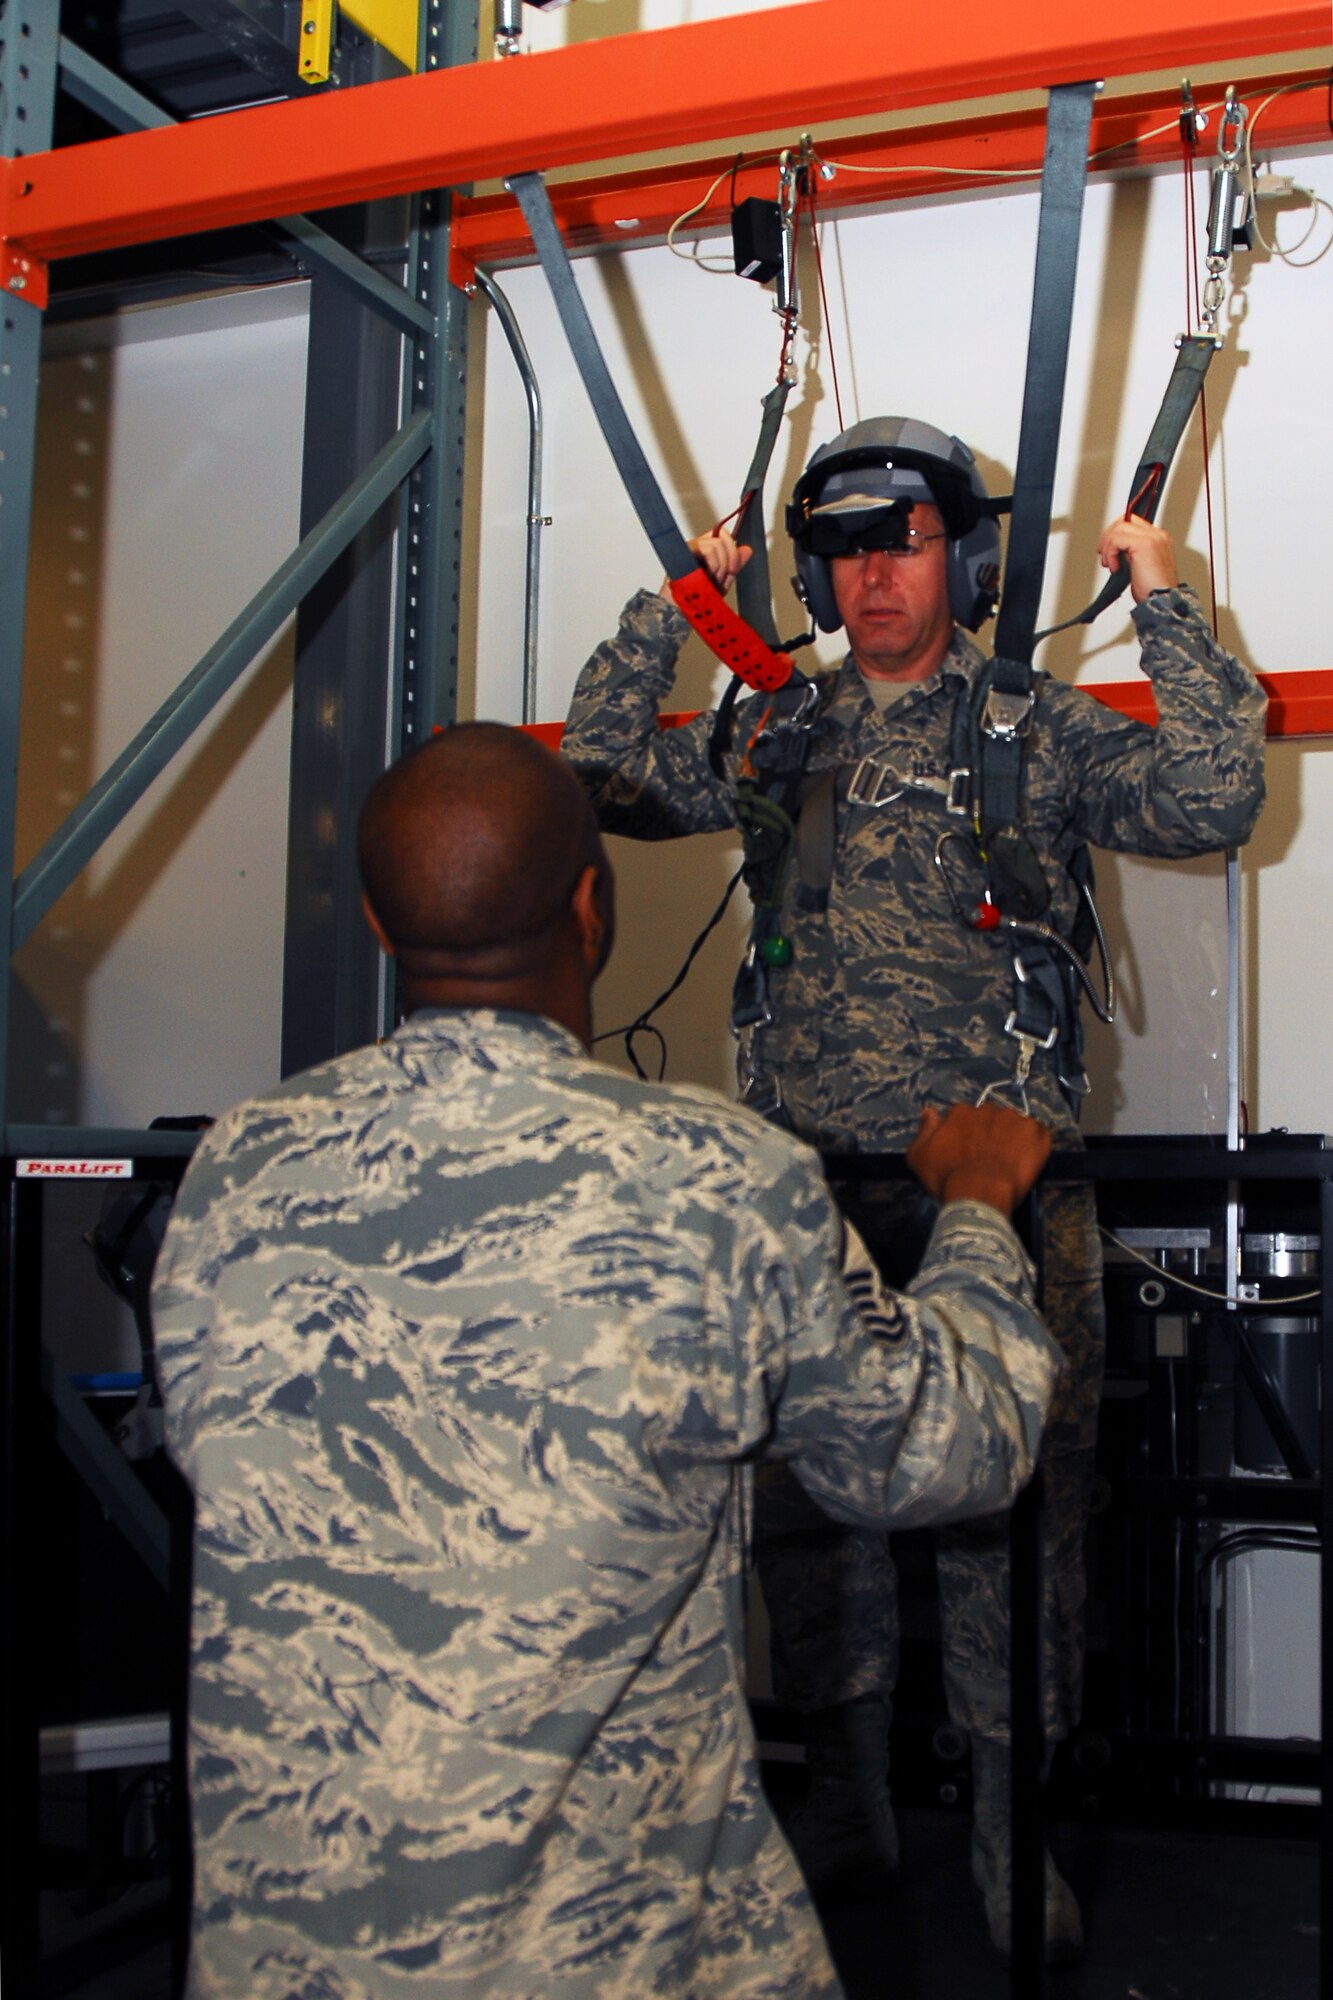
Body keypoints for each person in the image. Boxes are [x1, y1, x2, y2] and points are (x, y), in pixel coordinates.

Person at [152, 720, 1062, 1999]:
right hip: (618, 1952)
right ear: (596, 901)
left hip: (295, 1956)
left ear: (374, 921)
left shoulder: (238, 1170)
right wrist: (973, 1213)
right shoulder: (713, 1177)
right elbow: (943, 1447)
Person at [561, 415, 1268, 1959]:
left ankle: (1015, 1843)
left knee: (1016, 1524)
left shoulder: (1032, 724)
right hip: (811, 1202)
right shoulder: (774, 736)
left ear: (966, 555)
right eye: (844, 549)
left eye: (905, 540)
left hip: (1001, 1200)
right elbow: (600, 775)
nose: (872, 574)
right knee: (812, 1527)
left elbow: (1215, 801)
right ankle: (849, 1816)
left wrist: (1160, 592)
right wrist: (673, 602)